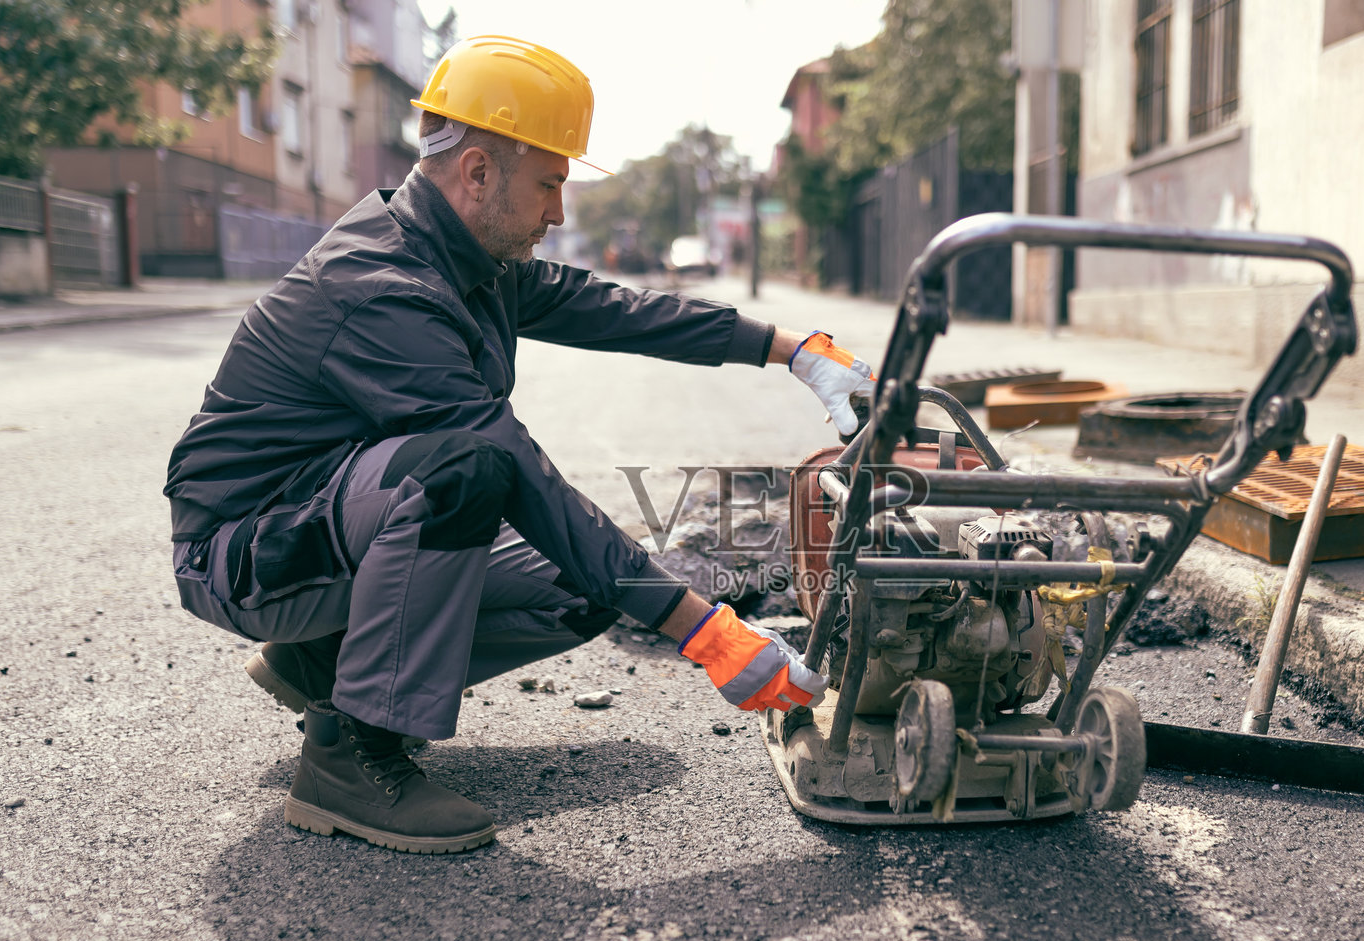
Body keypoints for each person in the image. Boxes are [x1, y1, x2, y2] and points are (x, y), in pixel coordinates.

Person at [163, 36, 876, 855]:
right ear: (477, 171)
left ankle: (318, 664)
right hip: (246, 551)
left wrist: (793, 347)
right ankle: (353, 754)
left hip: (325, 522)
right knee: (464, 474)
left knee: (584, 584)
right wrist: (708, 633)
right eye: (551, 183)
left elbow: (615, 309)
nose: (559, 212)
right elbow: (520, 474)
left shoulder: (471, 254)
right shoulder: (380, 286)